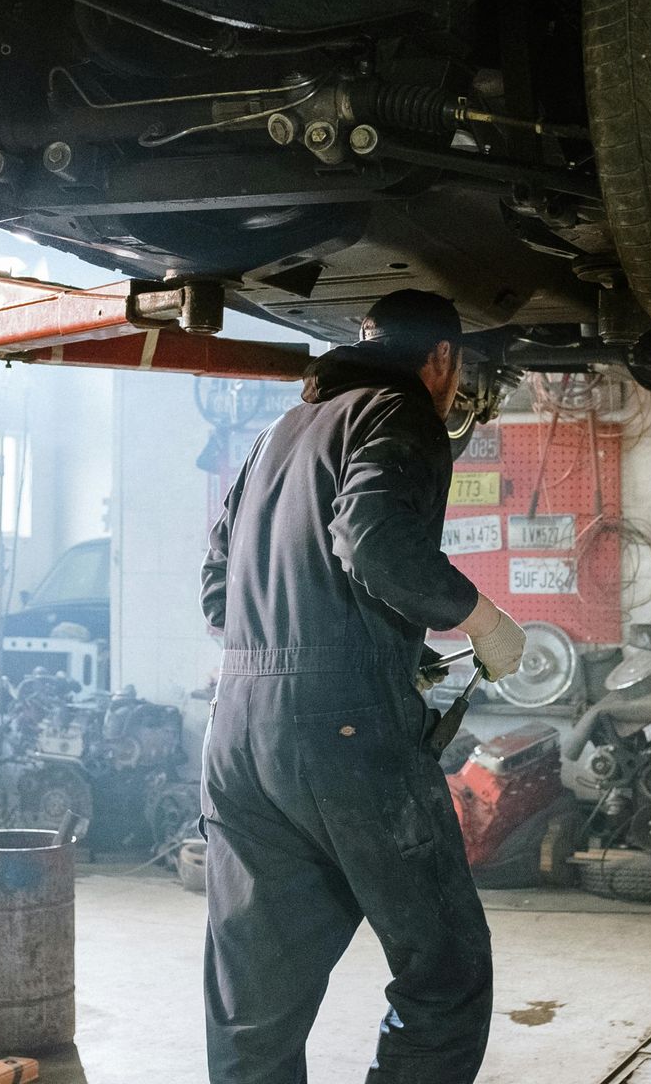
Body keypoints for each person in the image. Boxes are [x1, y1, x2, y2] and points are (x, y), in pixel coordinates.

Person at [199, 289, 527, 1084]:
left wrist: (350, 644)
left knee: (255, 997)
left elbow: (217, 588)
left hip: (239, 731)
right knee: (443, 970)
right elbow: (374, 541)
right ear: (442, 360)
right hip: (344, 737)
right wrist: (480, 619)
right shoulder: (401, 411)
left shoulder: (277, 433)